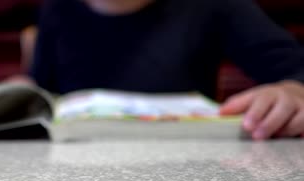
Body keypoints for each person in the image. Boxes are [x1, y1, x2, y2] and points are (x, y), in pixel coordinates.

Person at [27, 0, 304, 140]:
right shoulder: (57, 8)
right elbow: (44, 90)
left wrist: (293, 91)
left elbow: (296, 68)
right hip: (74, 175)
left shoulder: (211, 5)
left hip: (189, 171)